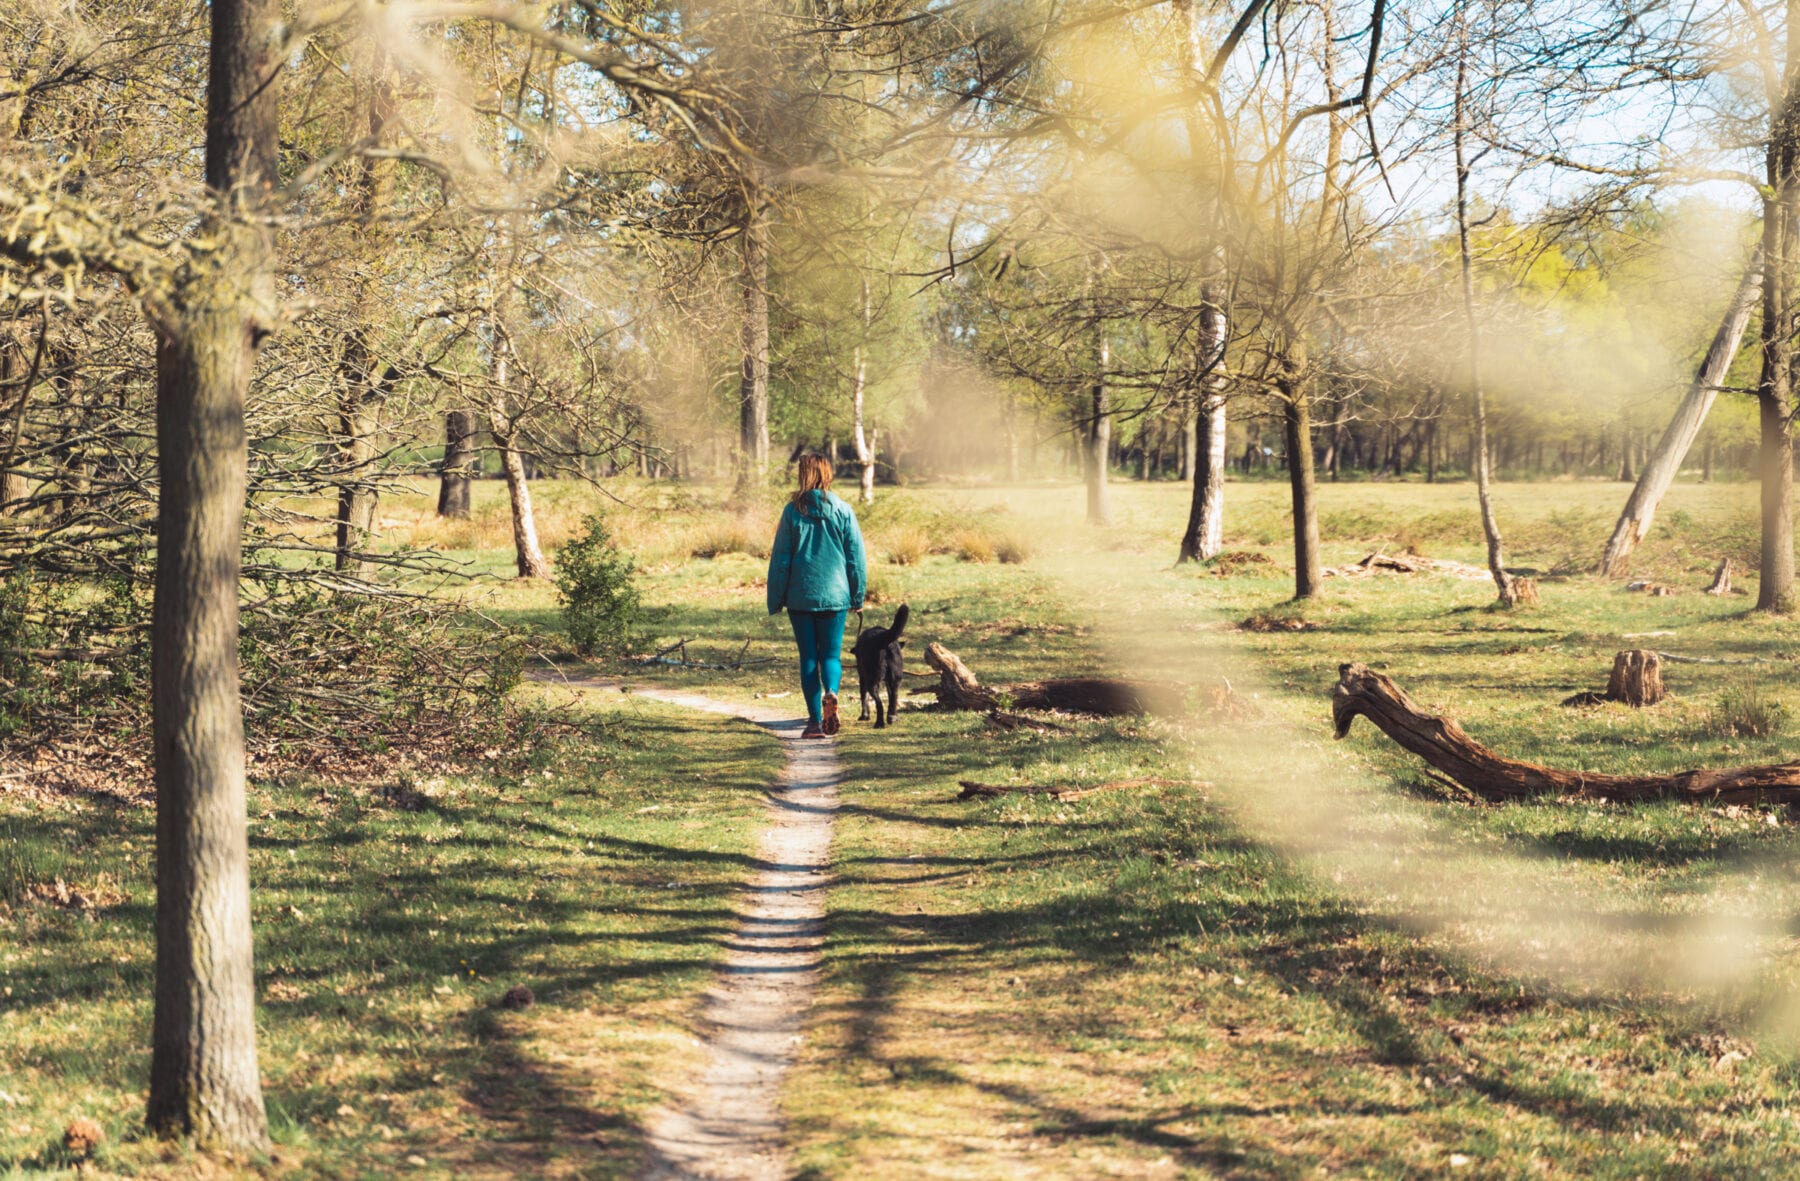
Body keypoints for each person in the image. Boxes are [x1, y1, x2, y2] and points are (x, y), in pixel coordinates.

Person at [766, 454, 867, 738]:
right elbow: (855, 559)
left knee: (809, 657)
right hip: (835, 595)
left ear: (804, 475)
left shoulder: (792, 511)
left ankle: (813, 722)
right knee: (831, 656)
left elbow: (781, 558)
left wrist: (775, 598)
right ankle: (831, 692)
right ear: (827, 474)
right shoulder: (844, 510)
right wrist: (857, 596)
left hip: (800, 595)